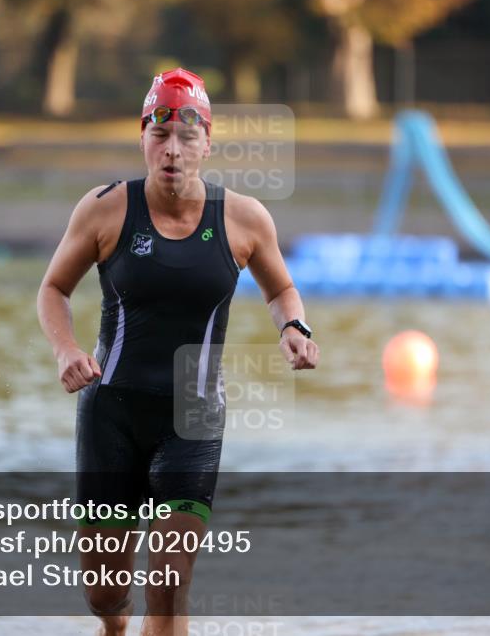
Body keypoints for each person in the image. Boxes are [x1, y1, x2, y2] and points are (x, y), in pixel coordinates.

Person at [37, 67, 319, 636]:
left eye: (187, 138)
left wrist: (294, 326)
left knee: (168, 591)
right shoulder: (104, 209)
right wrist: (66, 349)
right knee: (105, 593)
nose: (172, 151)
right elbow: (53, 290)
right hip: (110, 413)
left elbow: (281, 289)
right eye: (159, 136)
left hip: (193, 419)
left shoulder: (243, 218)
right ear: (142, 138)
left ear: (207, 143)